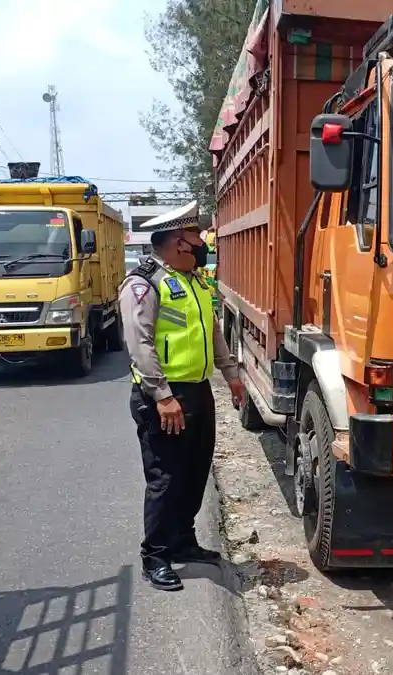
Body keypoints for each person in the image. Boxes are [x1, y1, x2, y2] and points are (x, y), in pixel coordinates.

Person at [119, 207, 245, 591]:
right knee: (166, 478)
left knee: (195, 472)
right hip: (164, 396)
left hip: (197, 391)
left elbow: (213, 332)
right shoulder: (144, 284)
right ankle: (155, 556)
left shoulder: (194, 282)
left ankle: (183, 542)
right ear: (178, 242)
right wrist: (162, 396)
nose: (202, 244)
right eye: (196, 238)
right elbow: (139, 344)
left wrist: (232, 375)